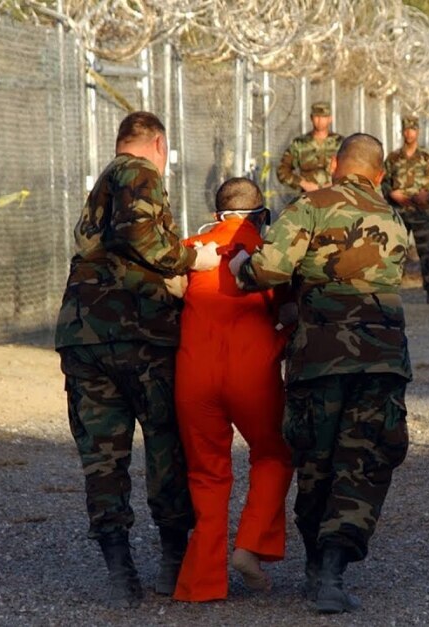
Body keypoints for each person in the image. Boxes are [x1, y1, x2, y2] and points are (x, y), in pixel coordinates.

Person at [228, 134, 411, 614]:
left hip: (320, 358)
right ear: (379, 174)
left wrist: (241, 266)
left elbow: (268, 270)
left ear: (334, 166)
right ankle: (332, 570)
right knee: (363, 460)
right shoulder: (394, 220)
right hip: (381, 359)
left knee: (316, 459)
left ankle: (316, 565)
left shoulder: (309, 207)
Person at [54, 111, 220, 608]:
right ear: (159, 144)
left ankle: (120, 571)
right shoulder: (138, 171)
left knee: (103, 458)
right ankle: (173, 562)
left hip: (85, 335)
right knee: (167, 446)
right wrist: (192, 260)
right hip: (141, 335)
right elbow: (140, 235)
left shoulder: (105, 181)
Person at [171, 178, 294, 602]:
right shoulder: (268, 253)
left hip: (194, 374)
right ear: (260, 214)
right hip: (252, 373)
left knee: (206, 473)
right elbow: (289, 310)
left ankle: (201, 583)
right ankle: (250, 546)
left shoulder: (191, 249)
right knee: (274, 453)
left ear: (216, 213)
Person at [382, 115, 429, 304]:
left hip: (422, 212)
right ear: (402, 132)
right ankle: (391, 291)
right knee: (394, 252)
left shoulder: (428, 157)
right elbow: (383, 181)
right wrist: (391, 193)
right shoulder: (393, 158)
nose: (409, 133)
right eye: (406, 129)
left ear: (418, 132)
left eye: (413, 129)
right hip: (399, 212)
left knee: (427, 252)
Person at [277, 101, 345, 193]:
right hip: (308, 195)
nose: (320, 120)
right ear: (311, 118)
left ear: (330, 119)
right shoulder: (300, 143)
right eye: (317, 116)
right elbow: (282, 170)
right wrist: (303, 184)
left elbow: (350, 170)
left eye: (324, 117)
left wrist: (335, 183)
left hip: (335, 194)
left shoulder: (341, 143)